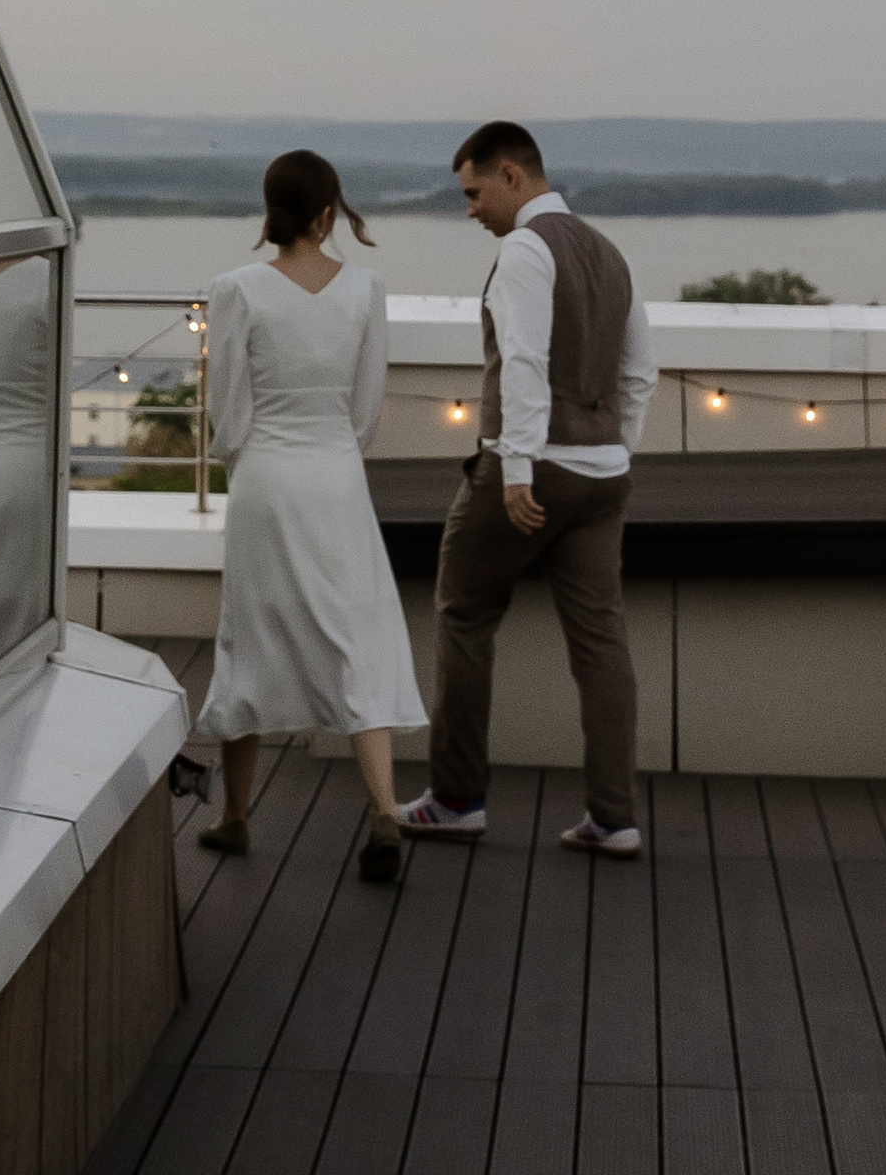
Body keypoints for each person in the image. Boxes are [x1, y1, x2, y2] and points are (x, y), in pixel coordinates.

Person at [400, 120, 658, 858]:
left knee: (463, 613)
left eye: (475, 192)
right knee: (601, 640)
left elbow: (522, 361)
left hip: (533, 468)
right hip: (603, 473)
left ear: (512, 175)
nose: (471, 209)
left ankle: (456, 800)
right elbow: (643, 371)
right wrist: (616, 446)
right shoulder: (610, 253)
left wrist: (516, 469)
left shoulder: (524, 251)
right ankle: (615, 817)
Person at [194, 149, 428, 884]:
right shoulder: (366, 288)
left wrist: (250, 459)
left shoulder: (237, 289)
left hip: (266, 478)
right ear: (330, 212)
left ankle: (234, 817)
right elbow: (365, 411)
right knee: (355, 634)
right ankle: (383, 809)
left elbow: (225, 415)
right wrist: (332, 450)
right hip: (335, 478)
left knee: (250, 634)